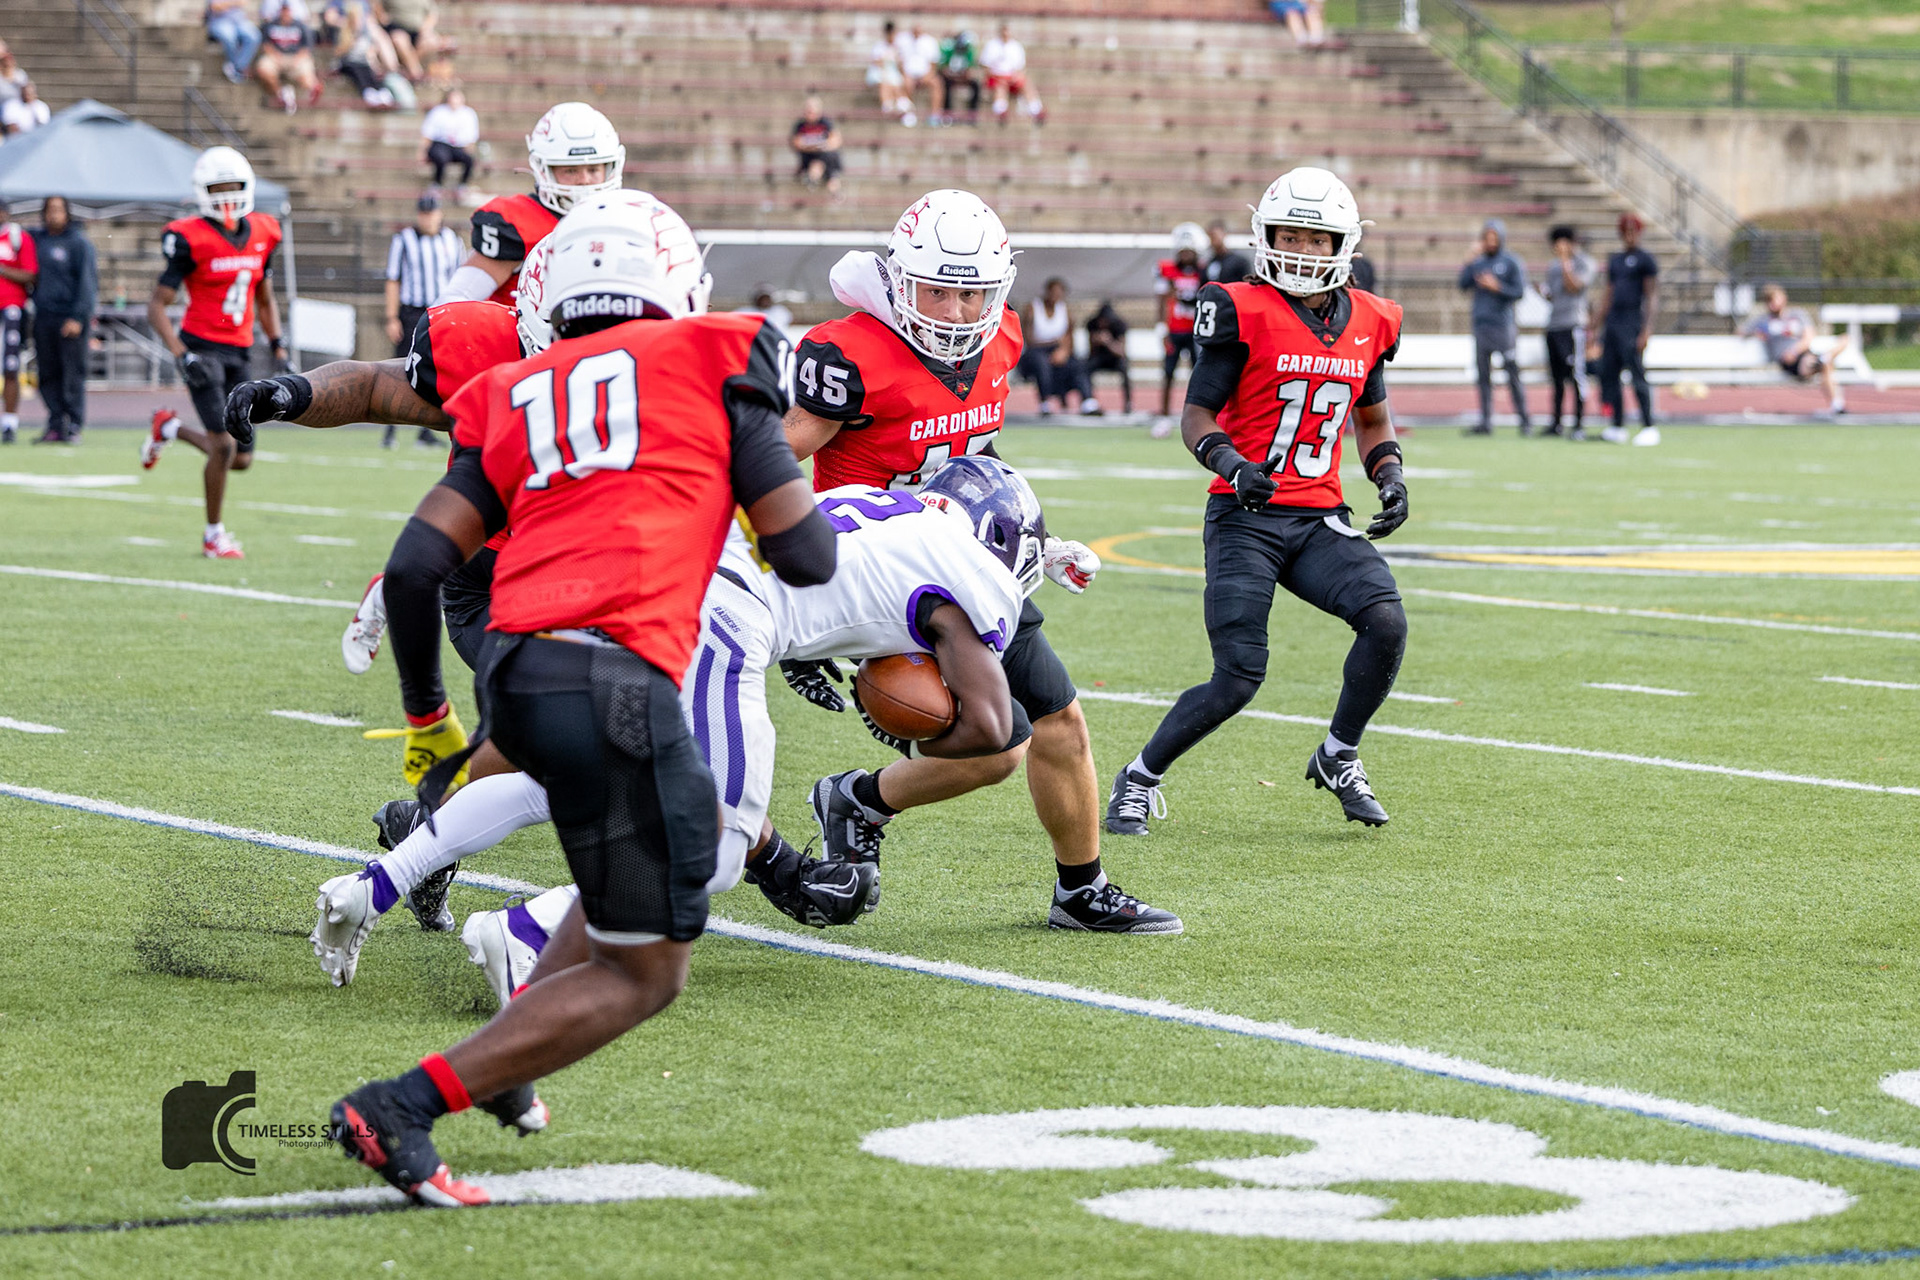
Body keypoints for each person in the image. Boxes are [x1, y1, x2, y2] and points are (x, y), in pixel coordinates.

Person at [325, 191, 839, 1207]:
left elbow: (417, 565)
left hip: (516, 677)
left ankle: (508, 1055)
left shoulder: (515, 388)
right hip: (616, 681)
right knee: (649, 968)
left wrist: (428, 718)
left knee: (649, 874)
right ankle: (400, 1106)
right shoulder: (720, 358)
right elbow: (807, 555)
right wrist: (738, 478)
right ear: (678, 285)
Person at [782, 190, 1179, 934]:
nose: (957, 311)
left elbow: (977, 456)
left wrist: (1034, 539)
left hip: (966, 567)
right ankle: (857, 801)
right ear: (899, 280)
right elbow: (772, 468)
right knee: (995, 745)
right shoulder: (851, 355)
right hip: (877, 577)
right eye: (937, 290)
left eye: (972, 294)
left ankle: (1079, 889)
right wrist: (792, 598)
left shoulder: (1002, 339)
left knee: (1060, 721)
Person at [1106, 166, 1410, 835]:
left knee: (1386, 622)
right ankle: (1140, 776)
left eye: (1316, 238)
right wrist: (1234, 465)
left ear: (1342, 246)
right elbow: (1196, 415)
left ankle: (1339, 754)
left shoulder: (1371, 318)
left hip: (1320, 517)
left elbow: (1372, 419)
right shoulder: (1239, 306)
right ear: (1265, 236)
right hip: (1245, 517)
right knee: (1238, 677)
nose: (1301, 250)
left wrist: (1389, 476)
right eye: (1289, 236)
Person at [140, 147, 287, 559]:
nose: (227, 196)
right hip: (202, 349)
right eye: (217, 188)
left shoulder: (264, 232)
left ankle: (169, 429)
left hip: (241, 349)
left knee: (241, 458)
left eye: (232, 186)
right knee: (222, 446)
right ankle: (213, 536)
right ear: (202, 191)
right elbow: (157, 306)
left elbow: (264, 297)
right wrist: (181, 354)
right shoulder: (189, 238)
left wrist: (278, 344)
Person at [434, 102, 623, 307]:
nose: (584, 180)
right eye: (570, 170)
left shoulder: (625, 218)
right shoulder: (517, 224)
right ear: (544, 170)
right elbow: (453, 302)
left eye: (593, 169)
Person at [383, 192, 464, 446]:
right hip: (412, 312)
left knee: (440, 370)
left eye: (431, 213)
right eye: (423, 214)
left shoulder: (452, 241)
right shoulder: (404, 240)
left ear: (440, 214)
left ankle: (427, 431)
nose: (427, 219)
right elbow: (393, 279)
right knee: (399, 368)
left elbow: (460, 280)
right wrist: (391, 317)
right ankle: (390, 430)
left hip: (442, 312)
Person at [28, 197, 94, 446]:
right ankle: (55, 423)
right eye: (49, 210)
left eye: (58, 210)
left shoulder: (78, 243)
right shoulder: (39, 240)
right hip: (44, 315)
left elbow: (87, 283)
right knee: (47, 372)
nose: (53, 215)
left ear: (67, 213)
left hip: (70, 317)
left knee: (72, 373)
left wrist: (78, 316)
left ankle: (74, 423)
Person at [1591, 212, 1658, 445]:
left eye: (1633, 232)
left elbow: (1651, 296)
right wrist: (1595, 324)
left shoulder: (1646, 260)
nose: (1630, 236)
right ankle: (1617, 425)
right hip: (1613, 322)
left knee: (1637, 374)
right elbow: (1608, 294)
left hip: (1632, 321)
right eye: (1626, 232)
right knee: (1609, 374)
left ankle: (1649, 425)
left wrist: (1647, 329)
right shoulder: (1615, 261)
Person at [1458, 217, 1529, 436]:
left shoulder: (1511, 262)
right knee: (1483, 376)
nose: (1490, 242)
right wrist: (1469, 260)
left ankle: (1524, 420)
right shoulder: (1478, 263)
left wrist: (1497, 287)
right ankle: (1486, 421)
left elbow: (1519, 292)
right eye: (1487, 237)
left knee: (1511, 373)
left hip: (1503, 326)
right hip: (1482, 325)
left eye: (1494, 237)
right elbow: (1462, 284)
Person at [1741, 284, 1847, 416]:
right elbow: (1741, 331)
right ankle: (1836, 402)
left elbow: (1809, 336)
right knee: (1824, 363)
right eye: (1769, 300)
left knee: (1843, 341)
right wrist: (1755, 334)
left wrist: (1794, 351)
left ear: (1784, 298)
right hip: (1789, 361)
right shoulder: (1763, 321)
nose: (1773, 304)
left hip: (1802, 353)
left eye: (1775, 299)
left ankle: (1824, 361)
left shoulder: (1797, 314)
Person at [1538, 224, 1593, 439]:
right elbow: (1553, 295)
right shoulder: (1552, 267)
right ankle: (1556, 423)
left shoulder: (1584, 263)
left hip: (1573, 326)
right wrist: (1541, 292)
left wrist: (1564, 261)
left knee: (1576, 375)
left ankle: (1579, 424)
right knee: (1556, 378)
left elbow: (1574, 287)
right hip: (1554, 325)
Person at [1154, 222, 1207, 436]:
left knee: (1199, 376)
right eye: (1182, 251)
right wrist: (1161, 326)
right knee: (1168, 373)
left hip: (1197, 332)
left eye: (1189, 251)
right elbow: (1161, 299)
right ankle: (1164, 418)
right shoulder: (1167, 270)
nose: (1185, 255)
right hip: (1175, 330)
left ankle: (1200, 419)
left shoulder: (1204, 271)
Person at [1020, 277, 1095, 416]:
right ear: (1047, 292)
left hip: (1058, 350)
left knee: (1078, 365)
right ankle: (1045, 403)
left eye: (1059, 293)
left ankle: (1088, 402)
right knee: (1042, 364)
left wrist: (1063, 351)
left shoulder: (1065, 310)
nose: (1055, 296)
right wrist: (1053, 343)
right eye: (1053, 292)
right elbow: (1029, 340)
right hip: (1035, 351)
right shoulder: (1033, 308)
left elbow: (1069, 338)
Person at [0, 199, 37, 445]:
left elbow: (30, 274)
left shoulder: (17, 237)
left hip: (10, 308)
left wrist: (2, 270)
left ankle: (9, 423)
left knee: (11, 367)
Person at [256, 0, 324, 113]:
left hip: (296, 57)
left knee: (306, 72)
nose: (285, 13)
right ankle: (282, 93)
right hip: (275, 57)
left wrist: (297, 59)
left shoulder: (301, 26)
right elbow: (265, 45)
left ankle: (313, 88)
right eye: (283, 10)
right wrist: (276, 55)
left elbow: (307, 48)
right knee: (263, 68)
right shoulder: (271, 25)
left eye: (287, 10)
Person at [420, 87, 478, 199]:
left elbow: (472, 136)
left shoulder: (469, 113)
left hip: (458, 146)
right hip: (440, 144)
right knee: (441, 158)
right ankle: (437, 184)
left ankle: (462, 186)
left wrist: (469, 150)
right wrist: (422, 151)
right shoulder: (438, 112)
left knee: (469, 160)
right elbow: (428, 133)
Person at [981, 23, 1043, 126]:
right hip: (995, 77)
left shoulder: (1016, 46)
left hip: (1011, 77)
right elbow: (985, 67)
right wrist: (998, 78)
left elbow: (1020, 69)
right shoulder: (991, 45)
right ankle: (1000, 111)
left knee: (1026, 84)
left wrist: (1015, 77)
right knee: (1000, 87)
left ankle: (1036, 110)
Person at [1084, 298, 1131, 415]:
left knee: (1124, 367)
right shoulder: (1092, 324)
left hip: (1114, 359)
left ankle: (1128, 402)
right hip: (1099, 357)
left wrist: (1108, 342)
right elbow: (1091, 351)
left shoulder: (1119, 325)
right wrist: (1096, 341)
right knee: (1085, 368)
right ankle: (1090, 401)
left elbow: (1121, 352)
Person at [789, 96, 843, 198]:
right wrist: (814, 147)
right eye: (808, 111)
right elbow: (796, 143)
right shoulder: (800, 125)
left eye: (813, 111)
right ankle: (832, 185)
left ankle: (815, 177)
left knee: (827, 156)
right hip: (808, 156)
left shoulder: (826, 123)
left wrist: (819, 145)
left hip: (825, 155)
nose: (811, 114)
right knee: (821, 160)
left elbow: (836, 141)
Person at [374, 0, 437, 81]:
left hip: (418, 31)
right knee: (400, 40)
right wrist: (382, 18)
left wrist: (426, 29)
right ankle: (416, 72)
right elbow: (377, 5)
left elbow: (432, 13)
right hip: (396, 28)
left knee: (431, 42)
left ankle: (407, 69)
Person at [206, 0, 264, 83]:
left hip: (239, 21)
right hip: (220, 21)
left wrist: (227, 4)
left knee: (254, 36)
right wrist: (233, 3)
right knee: (229, 38)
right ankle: (234, 68)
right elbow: (215, 7)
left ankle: (238, 67)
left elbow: (243, 2)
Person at [895, 21, 941, 126]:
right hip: (907, 74)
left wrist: (927, 76)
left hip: (925, 74)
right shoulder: (902, 40)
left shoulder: (930, 41)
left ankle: (935, 115)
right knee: (906, 84)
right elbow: (899, 61)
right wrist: (904, 74)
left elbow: (933, 63)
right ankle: (908, 114)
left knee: (937, 84)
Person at [867, 21, 908, 124]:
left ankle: (895, 104)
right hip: (880, 72)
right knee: (886, 82)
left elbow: (900, 64)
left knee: (896, 83)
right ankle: (889, 105)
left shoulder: (898, 47)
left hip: (892, 73)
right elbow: (877, 63)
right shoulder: (879, 46)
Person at [938, 29, 982, 125]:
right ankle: (947, 115)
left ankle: (972, 115)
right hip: (951, 78)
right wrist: (953, 75)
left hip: (962, 78)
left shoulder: (969, 52)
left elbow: (970, 72)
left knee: (976, 85)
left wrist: (962, 76)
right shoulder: (949, 50)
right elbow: (943, 68)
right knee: (945, 84)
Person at [1203, 221, 1251, 286]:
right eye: (1210, 236)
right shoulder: (1209, 263)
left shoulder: (1239, 262)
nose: (1213, 240)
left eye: (1215, 236)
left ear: (1224, 234)